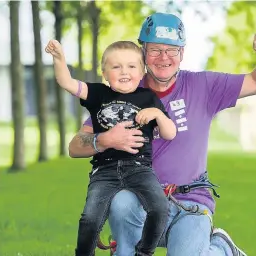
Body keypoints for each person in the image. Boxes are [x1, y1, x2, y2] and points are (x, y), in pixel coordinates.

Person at [69, 12, 256, 256]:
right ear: (143, 51)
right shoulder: (121, 93)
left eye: (172, 50)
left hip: (191, 203)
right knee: (122, 204)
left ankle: (222, 249)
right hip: (138, 202)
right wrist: (103, 140)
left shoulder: (204, 86)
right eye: (156, 50)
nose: (164, 58)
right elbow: (75, 146)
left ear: (182, 53)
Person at [45, 39, 177, 256]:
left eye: (131, 66)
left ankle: (143, 252)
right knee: (90, 218)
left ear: (142, 71)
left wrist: (158, 114)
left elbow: (170, 133)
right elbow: (66, 82)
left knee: (159, 208)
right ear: (105, 73)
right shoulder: (98, 94)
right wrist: (59, 58)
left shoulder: (148, 98)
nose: (124, 72)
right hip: (104, 171)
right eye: (116, 67)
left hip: (139, 168)